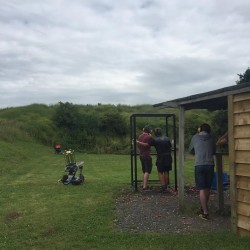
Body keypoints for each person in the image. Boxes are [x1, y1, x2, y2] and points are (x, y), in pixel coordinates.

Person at [188, 123, 216, 220]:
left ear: (200, 129)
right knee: (207, 187)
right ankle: (204, 208)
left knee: (201, 188)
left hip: (199, 164)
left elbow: (190, 150)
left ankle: (205, 212)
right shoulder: (212, 138)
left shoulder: (195, 137)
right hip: (210, 164)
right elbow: (213, 150)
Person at [150, 128, 172, 193]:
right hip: (168, 156)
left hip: (161, 156)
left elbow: (150, 143)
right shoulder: (167, 138)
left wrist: (150, 136)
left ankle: (163, 187)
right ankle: (166, 186)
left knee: (160, 171)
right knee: (166, 171)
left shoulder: (155, 140)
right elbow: (170, 146)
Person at [136, 125, 153, 191]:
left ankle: (144, 184)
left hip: (141, 155)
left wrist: (139, 142)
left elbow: (138, 145)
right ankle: (145, 186)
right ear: (149, 131)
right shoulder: (149, 137)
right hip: (147, 155)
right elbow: (147, 144)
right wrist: (151, 137)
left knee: (144, 171)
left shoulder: (140, 136)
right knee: (147, 171)